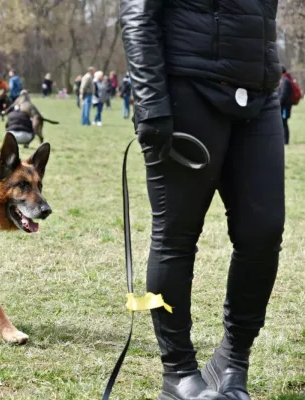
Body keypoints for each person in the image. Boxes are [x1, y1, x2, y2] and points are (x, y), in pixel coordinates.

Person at [120, 0, 285, 398]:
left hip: (259, 93)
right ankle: (179, 374)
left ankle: (232, 363)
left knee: (263, 233)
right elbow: (138, 12)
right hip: (186, 89)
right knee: (176, 237)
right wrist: (150, 103)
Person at [279, 67, 294, 145]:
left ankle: (286, 141)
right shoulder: (285, 80)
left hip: (284, 107)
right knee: (283, 123)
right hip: (284, 106)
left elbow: (284, 95)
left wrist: (278, 103)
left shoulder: (285, 81)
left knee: (284, 123)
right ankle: (284, 141)